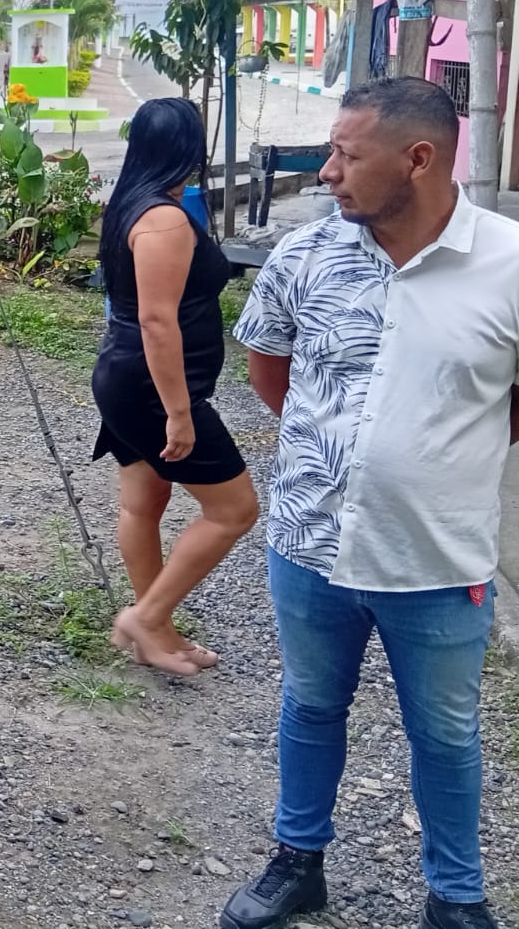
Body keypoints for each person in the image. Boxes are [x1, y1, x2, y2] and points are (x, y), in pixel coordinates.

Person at [221, 77, 518, 929]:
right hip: (309, 543)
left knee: (447, 733)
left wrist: (431, 453)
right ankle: (297, 861)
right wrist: (347, 450)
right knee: (311, 706)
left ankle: (456, 898)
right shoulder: (305, 257)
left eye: (348, 156)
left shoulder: (507, 263)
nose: (328, 172)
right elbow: (271, 373)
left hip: (437, 557)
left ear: (418, 159)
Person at [92, 97, 261, 676]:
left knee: (143, 503)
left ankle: (157, 631)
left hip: (124, 376)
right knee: (234, 509)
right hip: (151, 387)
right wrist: (179, 412)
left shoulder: (129, 204)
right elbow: (156, 321)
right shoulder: (163, 220)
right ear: (190, 150)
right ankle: (147, 617)